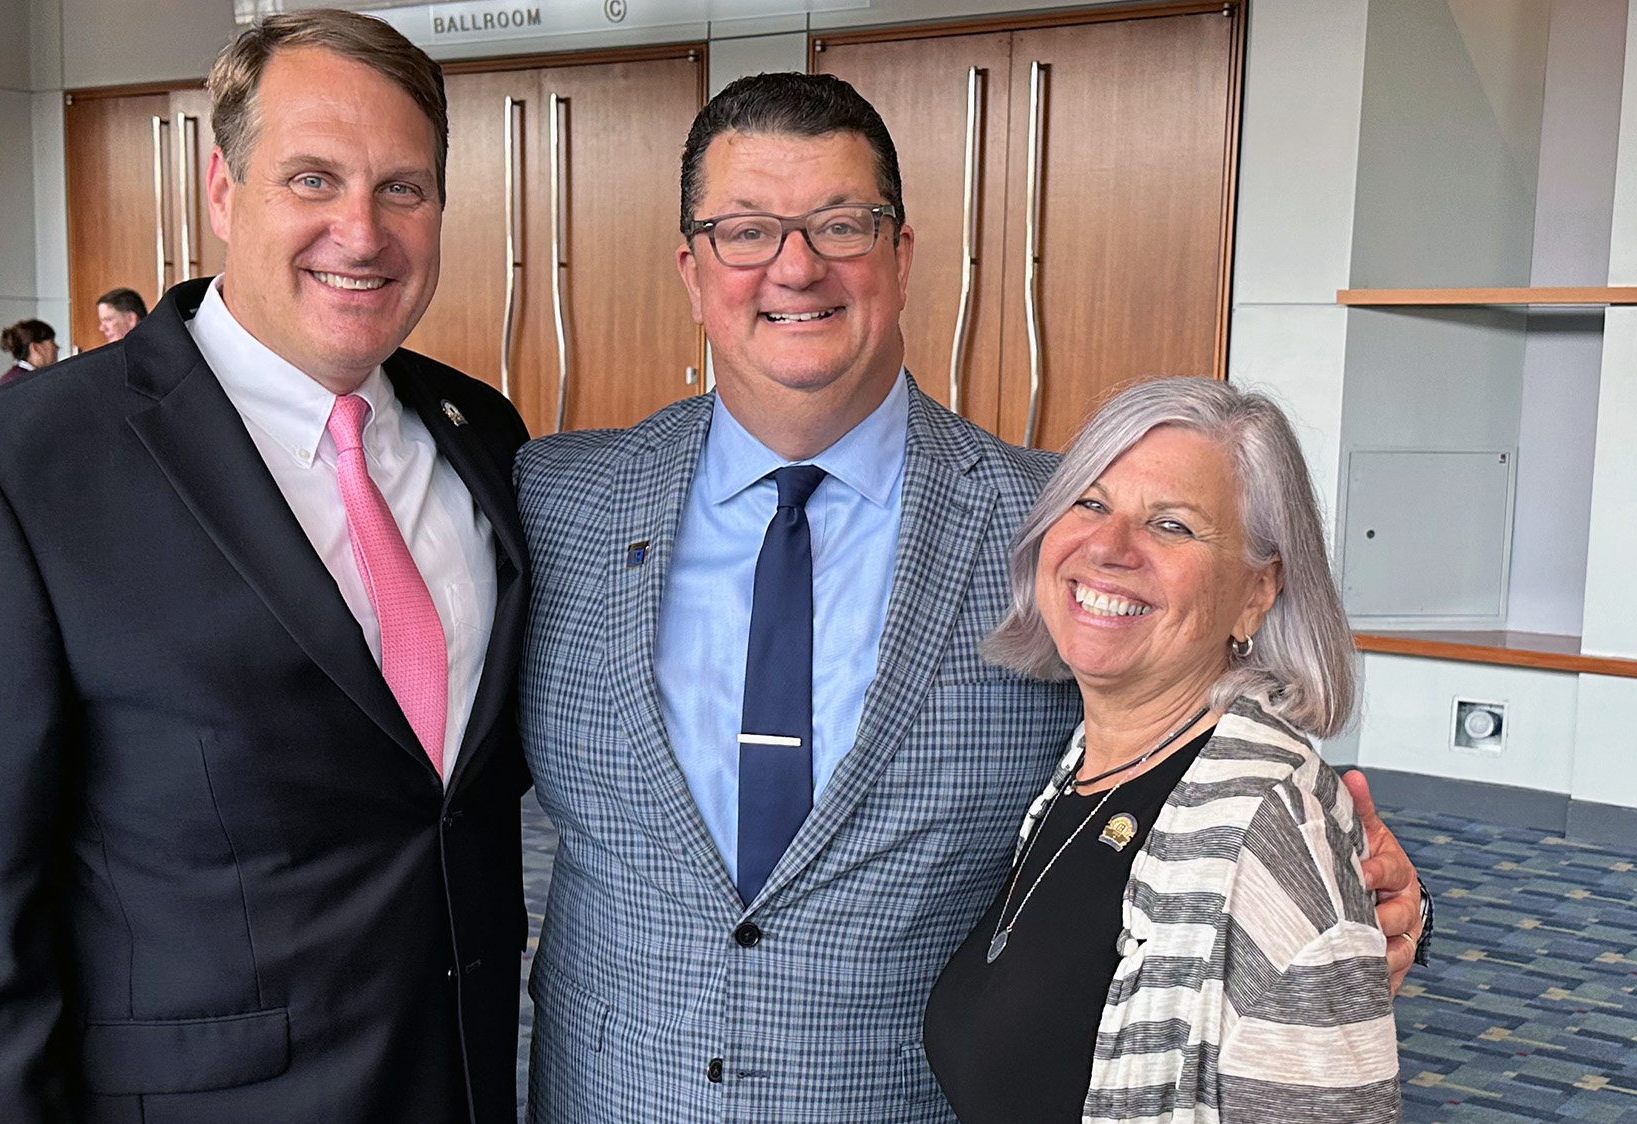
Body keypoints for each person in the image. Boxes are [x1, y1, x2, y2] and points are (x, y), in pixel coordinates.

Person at [514, 73, 1426, 1122]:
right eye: (745, 230)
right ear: (691, 267)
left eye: (840, 224)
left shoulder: (1057, 535)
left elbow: (1212, 754)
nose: (795, 264)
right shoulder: (558, 498)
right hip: (607, 1088)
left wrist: (1369, 894)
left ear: (900, 256)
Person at [0, 10, 530, 1123]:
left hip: (457, 1078)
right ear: (221, 189)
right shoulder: (16, 468)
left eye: (402, 188)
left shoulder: (481, 433)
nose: (359, 232)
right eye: (310, 179)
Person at [922, 377, 1399, 1122]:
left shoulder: (1265, 827)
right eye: (1090, 502)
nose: (1108, 548)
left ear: (1256, 592)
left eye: (1172, 526)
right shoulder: (1092, 766)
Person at [0, 319, 58, 387]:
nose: (56, 347)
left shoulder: (11, 378)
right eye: (52, 341)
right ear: (36, 347)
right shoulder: (28, 382)